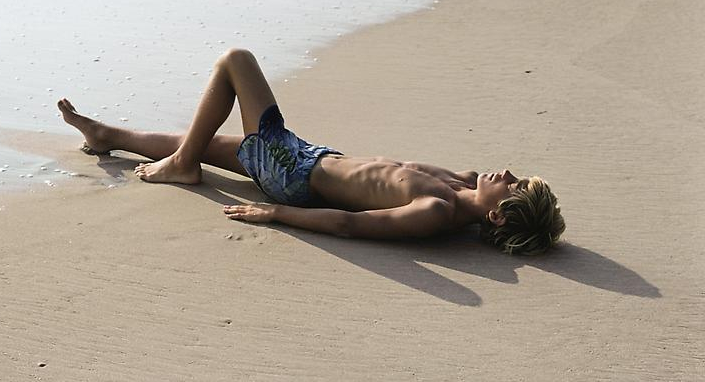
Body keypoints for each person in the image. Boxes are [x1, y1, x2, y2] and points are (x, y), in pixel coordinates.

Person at [58, 48, 565, 255]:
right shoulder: (460, 184)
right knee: (206, 141)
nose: (509, 172)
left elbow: (351, 225)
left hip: (292, 176)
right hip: (308, 156)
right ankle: (108, 137)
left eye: (515, 184)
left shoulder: (437, 211)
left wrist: (274, 211)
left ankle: (183, 166)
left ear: (497, 216)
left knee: (237, 62)